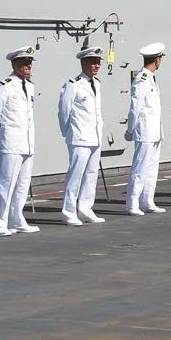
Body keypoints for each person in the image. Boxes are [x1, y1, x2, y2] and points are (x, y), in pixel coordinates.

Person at [0, 45, 40, 236]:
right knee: (6, 184)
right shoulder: (5, 86)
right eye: (24, 62)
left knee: (23, 184)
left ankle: (16, 218)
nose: (28, 66)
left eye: (30, 62)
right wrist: (4, 136)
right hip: (11, 143)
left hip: (27, 143)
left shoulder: (30, 86)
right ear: (14, 64)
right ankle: (0, 222)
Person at [58, 46, 106, 226]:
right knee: (75, 175)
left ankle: (86, 209)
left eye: (98, 62)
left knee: (91, 174)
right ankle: (69, 211)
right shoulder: (73, 85)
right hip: (79, 137)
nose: (97, 65)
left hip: (95, 136)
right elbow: (64, 112)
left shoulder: (97, 84)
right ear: (83, 63)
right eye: (93, 62)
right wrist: (68, 133)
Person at [125, 43, 166, 216]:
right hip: (145, 131)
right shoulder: (141, 79)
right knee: (140, 168)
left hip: (154, 132)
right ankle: (132, 203)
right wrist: (130, 129)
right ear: (157, 60)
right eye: (161, 58)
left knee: (151, 169)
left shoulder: (151, 78)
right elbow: (135, 107)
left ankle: (147, 200)